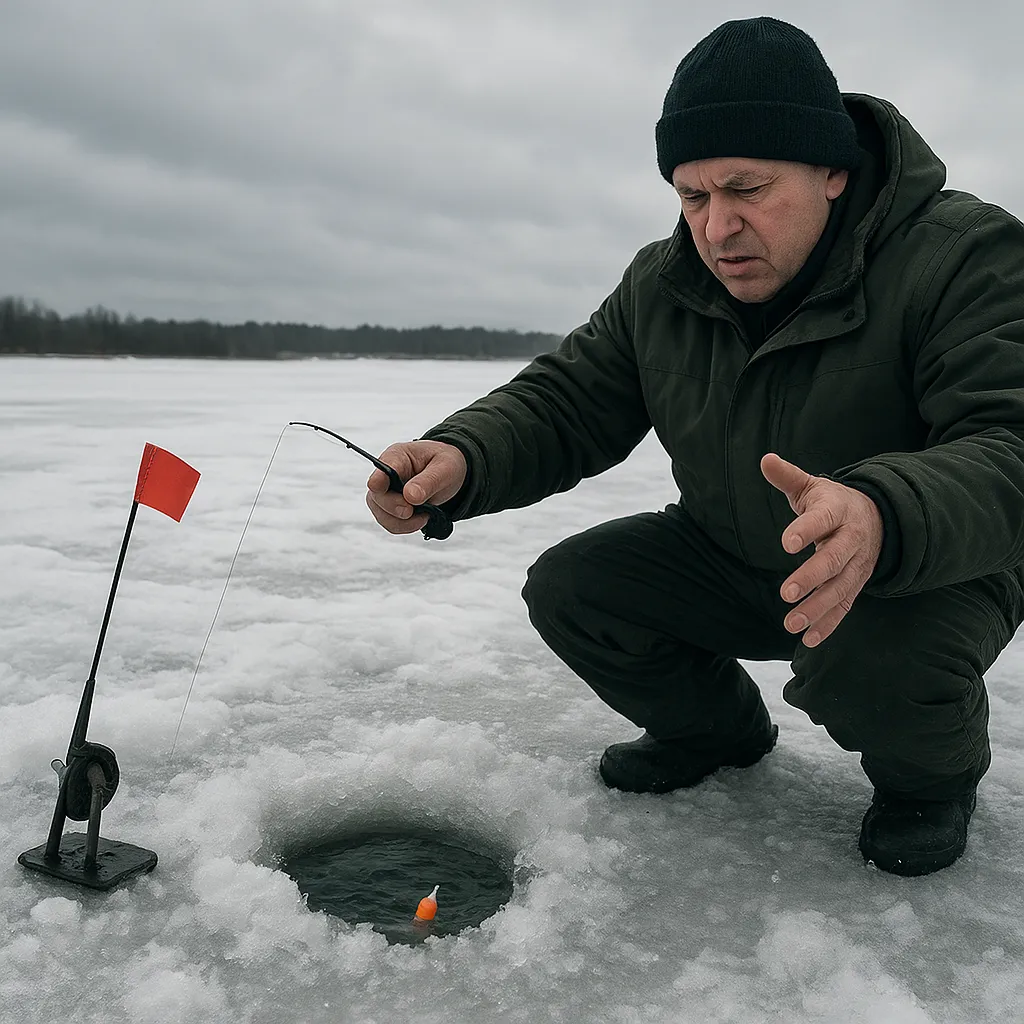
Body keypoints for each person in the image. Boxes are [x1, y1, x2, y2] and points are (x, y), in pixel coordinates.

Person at [365, 16, 1024, 877]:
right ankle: (715, 731)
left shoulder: (963, 256)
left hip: (916, 569)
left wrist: (880, 512)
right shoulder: (664, 281)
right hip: (732, 553)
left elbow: (1008, 440)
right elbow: (570, 398)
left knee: (873, 659)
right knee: (576, 587)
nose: (716, 229)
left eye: (747, 189)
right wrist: (465, 456)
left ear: (833, 170)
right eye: (693, 195)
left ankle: (928, 783)